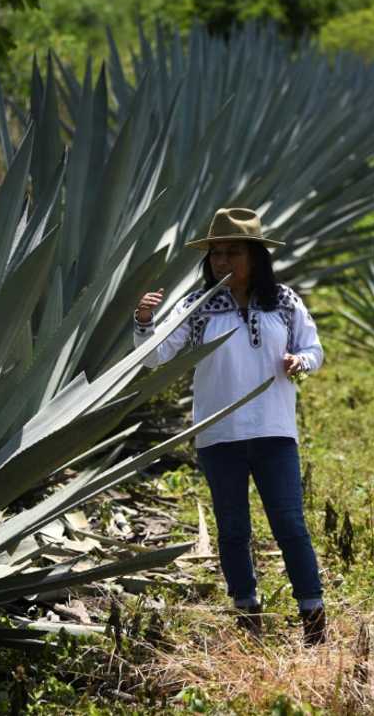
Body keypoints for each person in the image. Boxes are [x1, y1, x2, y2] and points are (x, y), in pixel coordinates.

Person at [133, 207, 327, 646]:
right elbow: (156, 356)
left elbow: (313, 349)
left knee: (290, 526)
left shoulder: (284, 302)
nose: (222, 262)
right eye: (216, 254)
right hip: (219, 436)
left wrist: (301, 362)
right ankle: (248, 620)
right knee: (234, 530)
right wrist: (144, 323)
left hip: (275, 433)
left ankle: (313, 622)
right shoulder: (197, 307)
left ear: (255, 256)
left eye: (232, 252)